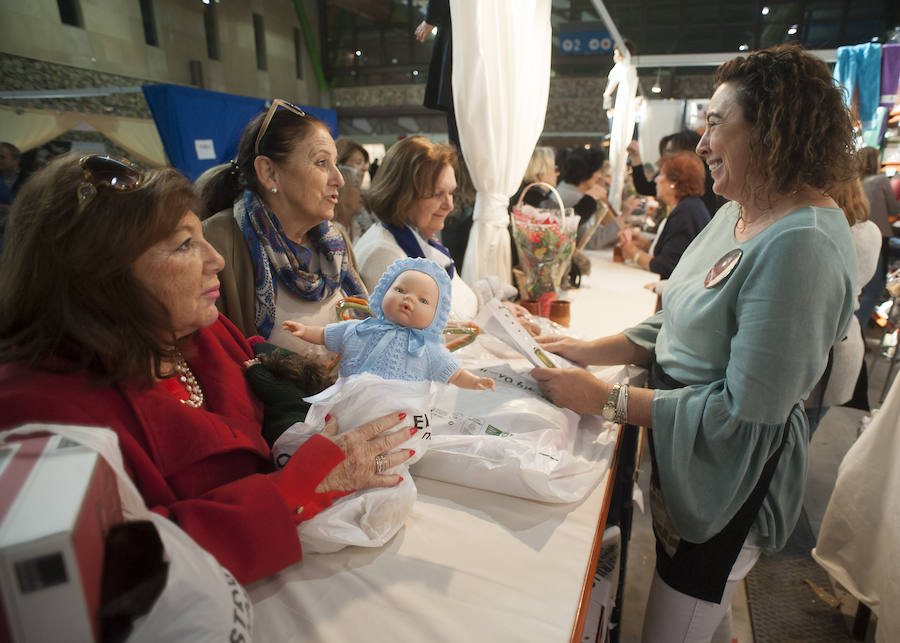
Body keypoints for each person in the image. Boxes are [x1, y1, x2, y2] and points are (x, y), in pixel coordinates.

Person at [531, 44, 857, 642]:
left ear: (771, 131)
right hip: (689, 460)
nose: (701, 143)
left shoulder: (801, 244)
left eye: (714, 122)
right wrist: (584, 350)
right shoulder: (740, 209)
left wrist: (604, 401)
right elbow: (677, 320)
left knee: (674, 623)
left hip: (729, 483)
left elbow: (744, 410)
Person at [0, 154, 415, 585]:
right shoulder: (37, 414)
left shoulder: (200, 332)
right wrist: (297, 487)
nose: (215, 258)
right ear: (99, 275)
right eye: (184, 245)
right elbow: (109, 575)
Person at [200, 99, 367, 370]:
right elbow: (214, 362)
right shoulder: (218, 243)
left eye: (335, 163)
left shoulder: (336, 242)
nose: (339, 179)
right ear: (269, 173)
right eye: (322, 163)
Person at [354, 136, 520, 322]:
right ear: (402, 194)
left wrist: (497, 311)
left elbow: (459, 305)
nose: (449, 205)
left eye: (450, 193)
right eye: (436, 194)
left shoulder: (421, 239)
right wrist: (491, 323)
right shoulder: (384, 253)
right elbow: (418, 338)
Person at [805, 176, 881, 433]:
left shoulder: (818, 229)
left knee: (785, 442)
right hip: (846, 342)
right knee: (804, 435)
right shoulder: (869, 231)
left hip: (816, 347)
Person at [618, 152, 711, 279]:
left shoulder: (685, 212)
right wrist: (645, 244)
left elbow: (668, 266)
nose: (656, 179)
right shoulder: (689, 207)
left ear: (675, 183)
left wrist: (634, 254)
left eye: (661, 175)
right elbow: (675, 250)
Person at [627, 130, 726, 217]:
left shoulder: (704, 184)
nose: (667, 159)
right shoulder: (687, 186)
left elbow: (644, 187)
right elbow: (645, 187)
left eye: (671, 152)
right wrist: (636, 157)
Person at [856, 145, 899, 329]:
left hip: (858, 235)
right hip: (879, 236)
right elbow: (894, 209)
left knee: (864, 288)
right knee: (874, 290)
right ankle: (856, 329)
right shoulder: (881, 181)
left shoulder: (855, 182)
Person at [333, 165, 364, 242]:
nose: (362, 193)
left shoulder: (356, 227)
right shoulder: (330, 233)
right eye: (356, 186)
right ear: (341, 191)